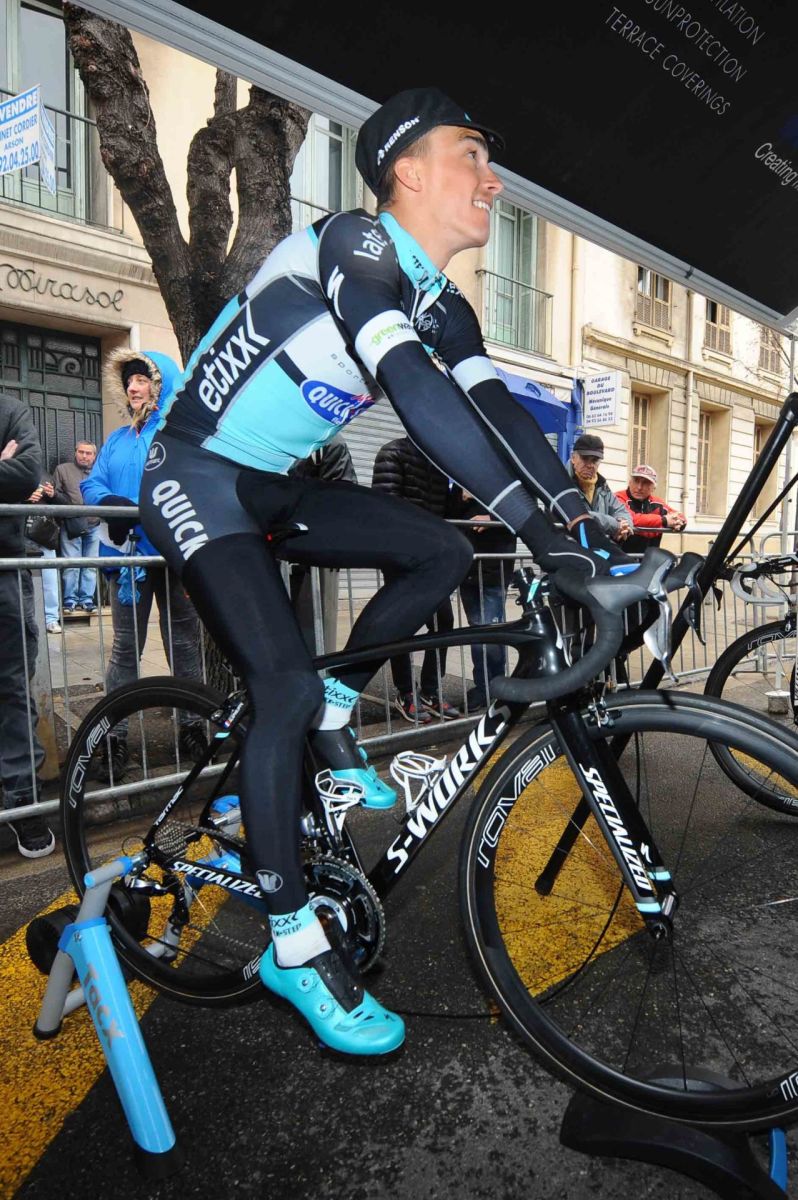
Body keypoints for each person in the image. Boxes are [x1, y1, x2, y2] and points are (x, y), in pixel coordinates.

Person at [139, 86, 638, 1060]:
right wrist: (540, 535)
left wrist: (583, 524)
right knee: (279, 688)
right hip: (191, 473)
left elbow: (495, 414)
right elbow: (414, 392)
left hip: (270, 483)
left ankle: (333, 710)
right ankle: (293, 945)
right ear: (405, 169)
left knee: (441, 551)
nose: (492, 179)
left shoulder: (440, 304)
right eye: (470, 155)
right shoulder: (354, 247)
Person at [81, 349, 203, 779]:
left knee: (184, 644)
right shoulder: (116, 439)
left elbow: (187, 483)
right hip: (127, 560)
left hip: (172, 555)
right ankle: (114, 738)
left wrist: (139, 510)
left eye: (142, 379)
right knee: (124, 649)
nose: (133, 387)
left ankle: (194, 727)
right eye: (129, 381)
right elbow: (92, 483)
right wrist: (111, 503)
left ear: (160, 385)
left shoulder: (177, 434)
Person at [372, 435, 461, 724]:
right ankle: (406, 692)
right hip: (401, 556)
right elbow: (384, 506)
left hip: (432, 557)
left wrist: (461, 497)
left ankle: (430, 690)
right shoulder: (393, 453)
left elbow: (444, 512)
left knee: (443, 621)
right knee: (403, 625)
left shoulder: (439, 460)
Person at [0, 394, 54, 857]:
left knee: (13, 686)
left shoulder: (11, 411)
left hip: (5, 570)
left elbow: (27, 472)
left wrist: (12, 471)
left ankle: (22, 796)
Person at [453, 489, 516, 711]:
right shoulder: (460, 480)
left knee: (490, 631)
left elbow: (524, 512)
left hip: (493, 568)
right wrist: (461, 497)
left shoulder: (505, 477)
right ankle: (484, 686)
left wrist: (493, 518)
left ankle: (495, 687)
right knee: (478, 631)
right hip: (467, 565)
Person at [53, 441, 100, 614]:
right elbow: (55, 495)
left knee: (91, 564)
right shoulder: (62, 469)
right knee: (71, 564)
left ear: (94, 456)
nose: (84, 456)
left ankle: (87, 599)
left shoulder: (99, 471)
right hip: (71, 524)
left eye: (88, 453)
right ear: (75, 452)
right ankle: (69, 600)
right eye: (81, 452)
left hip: (95, 523)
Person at [568, 433, 633, 542]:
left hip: (597, 546)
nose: (590, 465)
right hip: (570, 546)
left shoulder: (602, 486)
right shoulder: (562, 482)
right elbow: (579, 514)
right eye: (585, 458)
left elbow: (621, 510)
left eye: (595, 460)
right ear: (573, 458)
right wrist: (615, 525)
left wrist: (624, 525)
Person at [616, 464, 687, 555]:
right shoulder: (618, 497)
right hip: (620, 556)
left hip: (649, 558)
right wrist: (663, 521)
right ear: (629, 482)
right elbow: (630, 518)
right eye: (636, 481)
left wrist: (679, 523)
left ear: (653, 488)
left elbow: (679, 516)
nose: (639, 487)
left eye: (646, 483)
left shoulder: (657, 503)